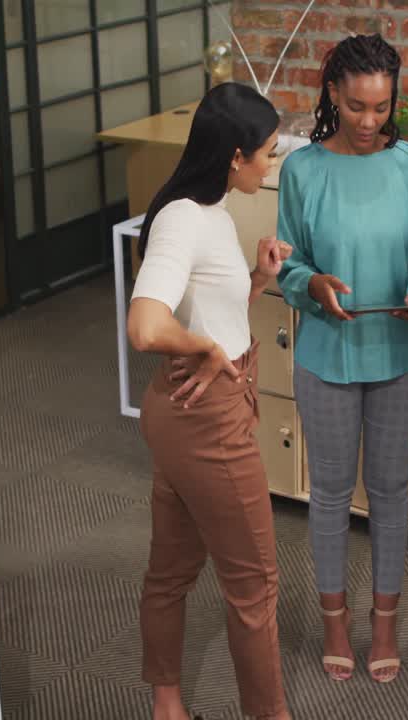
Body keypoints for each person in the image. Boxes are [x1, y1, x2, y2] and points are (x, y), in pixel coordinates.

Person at [276, 33, 408, 685]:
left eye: (381, 107)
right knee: (327, 495)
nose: (370, 121)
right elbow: (289, 265)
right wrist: (312, 287)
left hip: (402, 354)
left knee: (390, 491)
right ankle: (332, 622)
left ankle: (383, 622)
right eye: (356, 107)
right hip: (326, 356)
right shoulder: (302, 170)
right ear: (333, 95)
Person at [127, 82, 293, 720]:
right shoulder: (182, 220)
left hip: (185, 415)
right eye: (267, 154)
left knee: (170, 570)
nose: (270, 165)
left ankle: (167, 706)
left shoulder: (206, 211)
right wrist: (203, 347)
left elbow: (210, 313)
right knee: (254, 585)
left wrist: (256, 280)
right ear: (234, 156)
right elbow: (146, 327)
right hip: (210, 421)